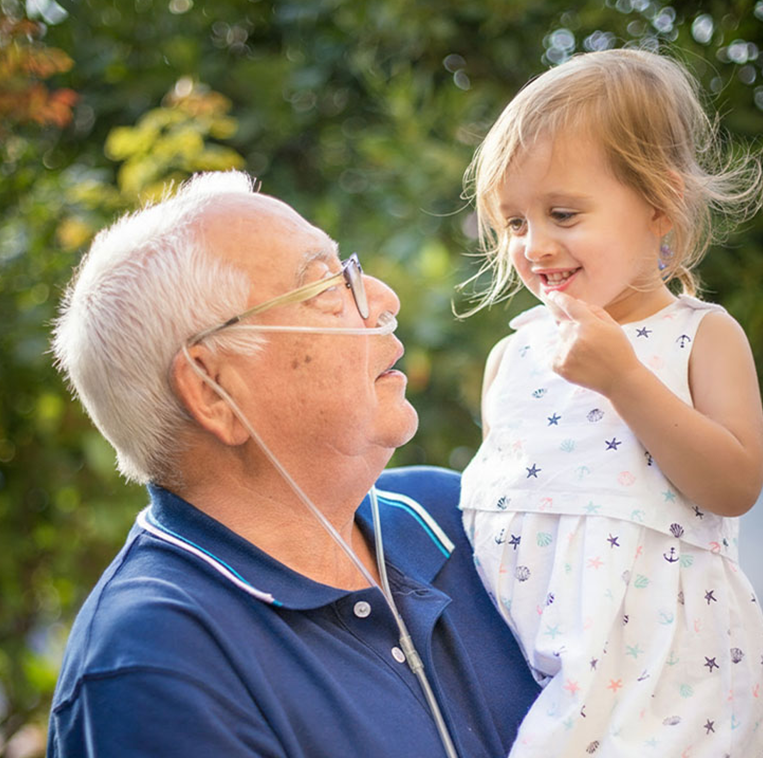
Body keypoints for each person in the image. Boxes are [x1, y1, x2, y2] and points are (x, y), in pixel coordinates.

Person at [47, 170, 539, 757]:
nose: (383, 300)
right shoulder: (153, 661)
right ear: (211, 389)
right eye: (326, 286)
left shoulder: (460, 514)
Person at [458, 48, 763, 757]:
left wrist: (625, 380)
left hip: (664, 681)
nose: (535, 245)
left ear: (659, 202)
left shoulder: (699, 337)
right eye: (513, 223)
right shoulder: (512, 355)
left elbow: (733, 485)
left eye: (563, 213)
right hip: (530, 670)